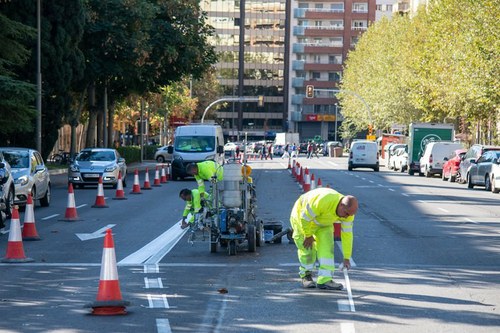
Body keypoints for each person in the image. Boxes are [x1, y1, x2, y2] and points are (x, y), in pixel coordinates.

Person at [290, 187, 358, 290]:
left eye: (350, 215)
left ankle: (325, 279)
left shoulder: (348, 214)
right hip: (301, 218)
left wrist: (346, 258)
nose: (346, 217)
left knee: (327, 249)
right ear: (341, 205)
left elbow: (347, 235)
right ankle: (306, 276)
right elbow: (305, 217)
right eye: (346, 214)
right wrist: (308, 235)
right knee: (307, 250)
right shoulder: (323, 201)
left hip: (323, 223)